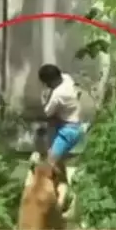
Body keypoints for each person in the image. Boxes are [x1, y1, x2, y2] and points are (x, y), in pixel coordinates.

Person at [37, 63, 85, 208]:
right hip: (70, 125)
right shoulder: (66, 78)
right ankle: (63, 190)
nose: (46, 86)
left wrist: (44, 98)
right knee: (57, 161)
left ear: (50, 81)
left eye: (46, 83)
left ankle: (61, 201)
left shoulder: (58, 95)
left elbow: (46, 113)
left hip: (68, 131)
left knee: (50, 164)